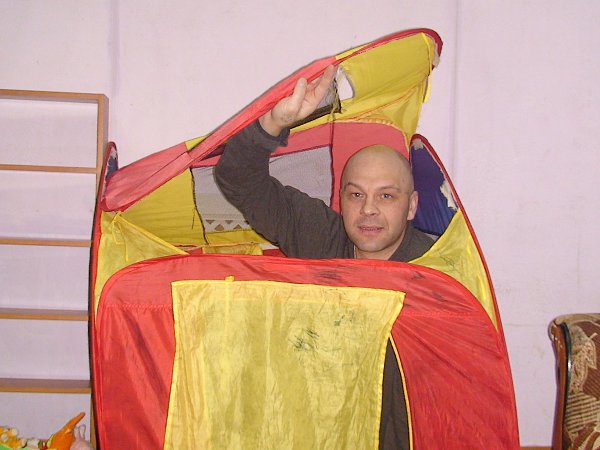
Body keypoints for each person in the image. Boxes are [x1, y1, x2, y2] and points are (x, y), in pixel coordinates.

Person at [214, 65, 434, 450]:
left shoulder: (437, 271)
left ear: (411, 206)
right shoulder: (323, 236)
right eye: (356, 195)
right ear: (341, 200)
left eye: (386, 196)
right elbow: (238, 178)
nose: (368, 210)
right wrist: (273, 123)